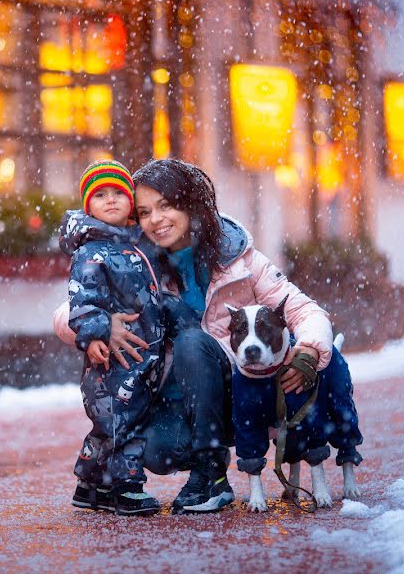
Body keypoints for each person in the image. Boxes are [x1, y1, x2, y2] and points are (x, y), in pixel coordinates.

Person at [55, 158, 363, 514]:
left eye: (166, 205)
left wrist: (310, 349)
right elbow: (68, 310)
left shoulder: (236, 258)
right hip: (179, 402)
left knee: (191, 340)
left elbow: (302, 309)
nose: (156, 219)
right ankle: (201, 456)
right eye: (144, 211)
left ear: (189, 203)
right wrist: (103, 324)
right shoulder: (135, 263)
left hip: (244, 390)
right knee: (157, 448)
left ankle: (211, 473)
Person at [63, 160, 198, 516]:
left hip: (141, 357)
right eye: (100, 195)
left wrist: (177, 317)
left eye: (118, 194)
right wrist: (95, 334)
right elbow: (83, 299)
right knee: (124, 422)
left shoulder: (138, 246)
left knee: (112, 424)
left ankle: (91, 486)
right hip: (112, 358)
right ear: (87, 205)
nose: (110, 201)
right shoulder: (91, 251)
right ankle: (126, 486)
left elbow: (153, 293)